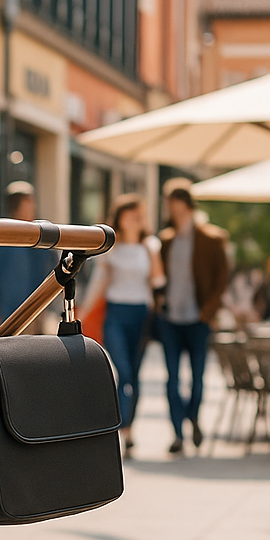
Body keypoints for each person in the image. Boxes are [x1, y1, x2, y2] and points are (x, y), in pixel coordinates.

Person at [83, 194, 164, 452]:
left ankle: (129, 430)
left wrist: (153, 257)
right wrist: (81, 313)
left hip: (140, 315)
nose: (136, 218)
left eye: (139, 214)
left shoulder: (150, 245)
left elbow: (159, 282)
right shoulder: (110, 247)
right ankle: (119, 425)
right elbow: (99, 284)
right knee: (124, 372)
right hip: (115, 314)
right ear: (120, 217)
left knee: (135, 376)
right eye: (131, 213)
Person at [156, 178, 230, 454]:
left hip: (198, 320)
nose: (171, 208)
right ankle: (177, 433)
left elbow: (222, 279)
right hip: (170, 320)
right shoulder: (165, 240)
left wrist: (207, 311)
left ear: (184, 203)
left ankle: (193, 418)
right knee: (172, 378)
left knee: (198, 379)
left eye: (173, 202)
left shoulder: (212, 239)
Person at [0, 181, 57, 333]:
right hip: (7, 314)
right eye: (28, 201)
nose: (33, 206)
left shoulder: (41, 235)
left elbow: (51, 271)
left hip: (36, 311)